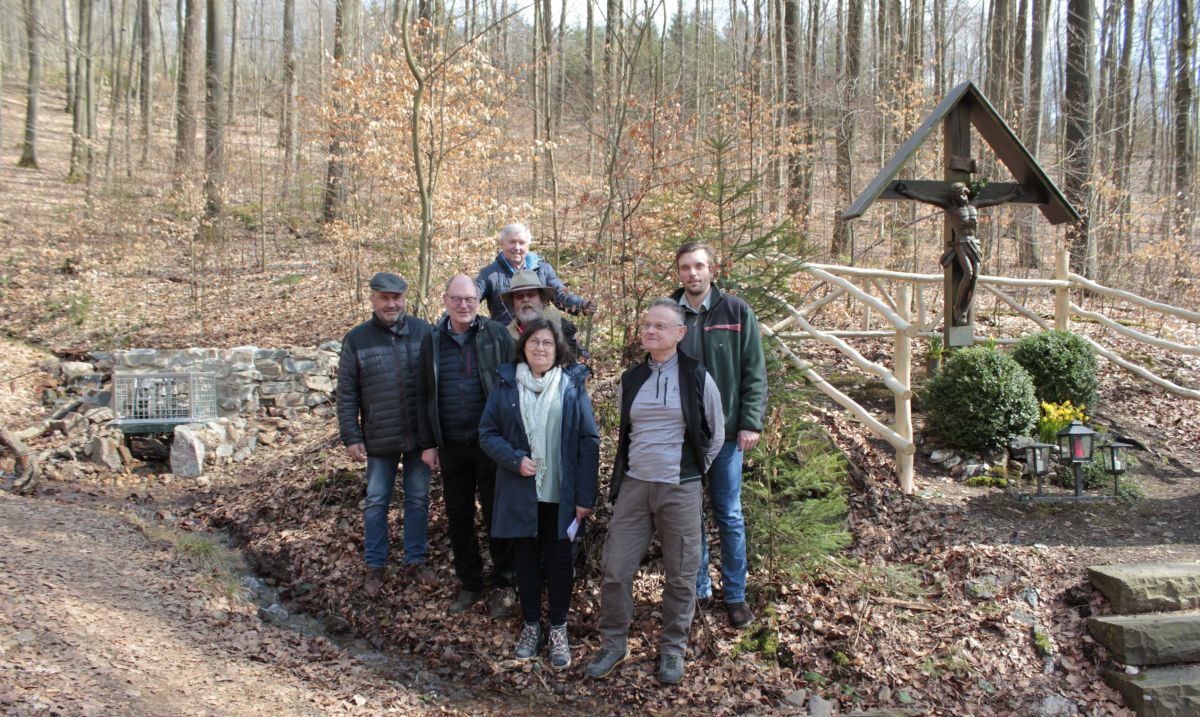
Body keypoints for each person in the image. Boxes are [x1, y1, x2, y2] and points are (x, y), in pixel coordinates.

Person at [584, 299, 724, 685]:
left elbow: (716, 433)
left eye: (660, 326)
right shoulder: (631, 379)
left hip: (680, 488)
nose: (650, 330)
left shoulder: (697, 376)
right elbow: (626, 435)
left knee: (681, 575)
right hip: (634, 486)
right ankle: (614, 645)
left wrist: (692, 473)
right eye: (647, 324)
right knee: (615, 571)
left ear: (680, 334)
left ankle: (672, 651)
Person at [478, 318, 599, 671]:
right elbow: (486, 433)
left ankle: (558, 629)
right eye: (535, 343)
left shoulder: (571, 386)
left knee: (561, 562)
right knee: (526, 561)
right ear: (524, 346)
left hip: (561, 493)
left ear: (557, 348)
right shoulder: (506, 385)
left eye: (547, 343)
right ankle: (532, 626)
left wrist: (585, 496)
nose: (541, 349)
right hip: (521, 491)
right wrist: (514, 459)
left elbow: (588, 442)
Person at [672, 241, 767, 629]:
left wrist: (750, 422)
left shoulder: (735, 310)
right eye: (685, 268)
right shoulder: (669, 312)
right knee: (689, 517)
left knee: (728, 514)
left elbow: (754, 370)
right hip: (684, 435)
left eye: (699, 266)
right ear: (678, 273)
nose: (692, 274)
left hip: (727, 436)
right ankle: (698, 589)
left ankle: (735, 595)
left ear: (712, 269)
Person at [418, 275, 517, 617]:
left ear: (478, 300)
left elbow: (514, 384)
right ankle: (470, 582)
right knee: (459, 517)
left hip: (490, 443)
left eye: (470, 299)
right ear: (445, 300)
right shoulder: (430, 341)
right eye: (457, 299)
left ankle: (505, 582)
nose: (464, 305)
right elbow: (422, 394)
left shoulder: (496, 334)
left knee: (497, 515)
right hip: (451, 445)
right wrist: (429, 443)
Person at [336, 272, 436, 596]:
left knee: (418, 498)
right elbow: (347, 392)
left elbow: (438, 386)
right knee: (377, 501)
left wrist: (437, 437)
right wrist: (352, 436)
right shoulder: (357, 339)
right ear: (373, 300)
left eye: (397, 298)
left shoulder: (425, 332)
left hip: (420, 436)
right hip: (380, 437)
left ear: (404, 299)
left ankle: (415, 561)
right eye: (384, 298)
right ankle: (375, 566)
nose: (391, 304)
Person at [894, 181, 1021, 325]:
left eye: (965, 193)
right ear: (955, 196)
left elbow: (995, 201)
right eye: (961, 194)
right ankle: (957, 307)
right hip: (961, 243)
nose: (964, 197)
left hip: (974, 244)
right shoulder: (950, 208)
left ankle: (964, 310)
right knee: (969, 273)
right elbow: (927, 198)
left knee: (976, 277)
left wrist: (1012, 195)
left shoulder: (974, 204)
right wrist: (907, 192)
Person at [476, 223, 596, 325]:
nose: (517, 247)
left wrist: (582, 305)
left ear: (528, 246)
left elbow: (560, 294)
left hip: (538, 335)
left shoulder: (542, 269)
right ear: (502, 244)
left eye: (521, 243)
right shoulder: (489, 274)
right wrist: (484, 326)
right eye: (512, 242)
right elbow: (472, 297)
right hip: (504, 339)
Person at [500, 269, 587, 359]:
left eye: (531, 294)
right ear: (513, 303)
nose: (525, 299)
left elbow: (579, 365)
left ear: (542, 300)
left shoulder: (562, 328)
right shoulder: (504, 338)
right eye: (519, 296)